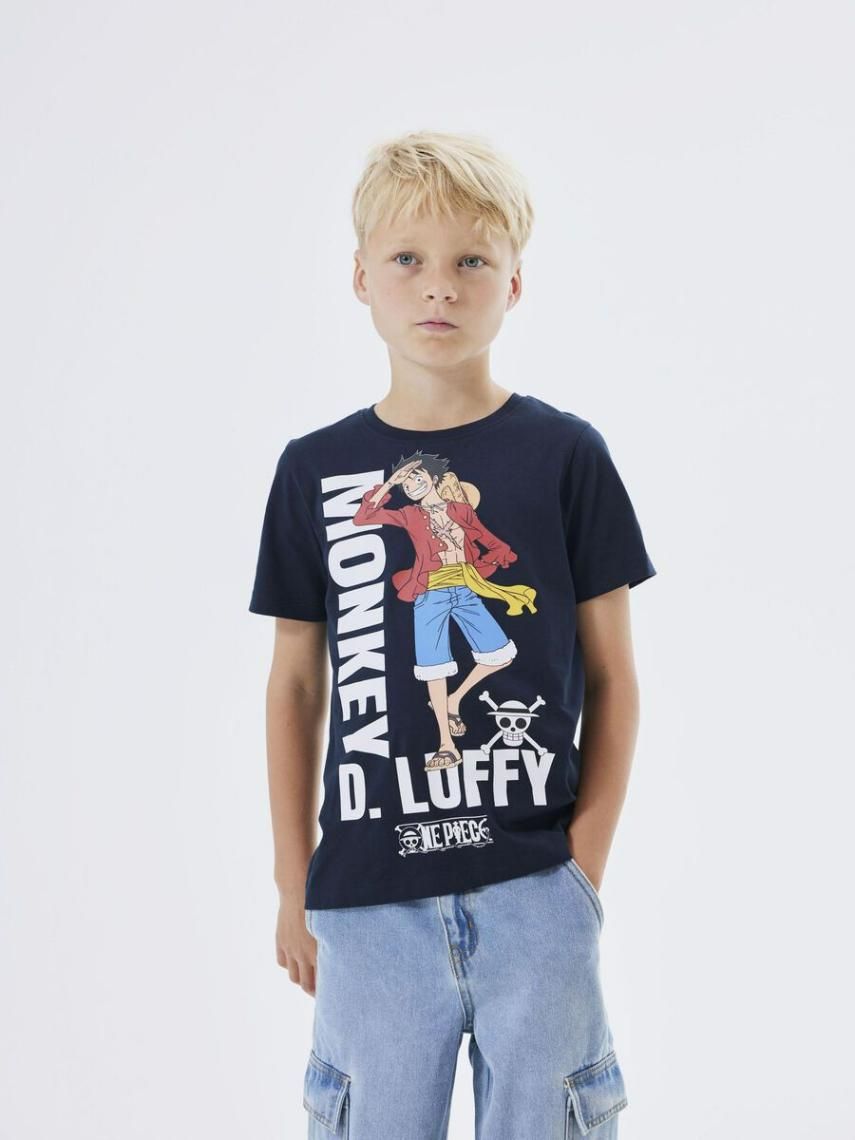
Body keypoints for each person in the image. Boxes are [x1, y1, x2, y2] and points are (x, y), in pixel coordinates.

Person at [248, 129, 657, 1139]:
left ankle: (460, 715)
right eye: (407, 259)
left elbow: (614, 675)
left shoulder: (565, 456)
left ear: (513, 283)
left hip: (533, 891)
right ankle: (443, 715)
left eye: (471, 260)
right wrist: (294, 883)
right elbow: (295, 685)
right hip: (367, 904)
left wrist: (579, 873)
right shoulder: (317, 470)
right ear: (361, 278)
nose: (439, 285)